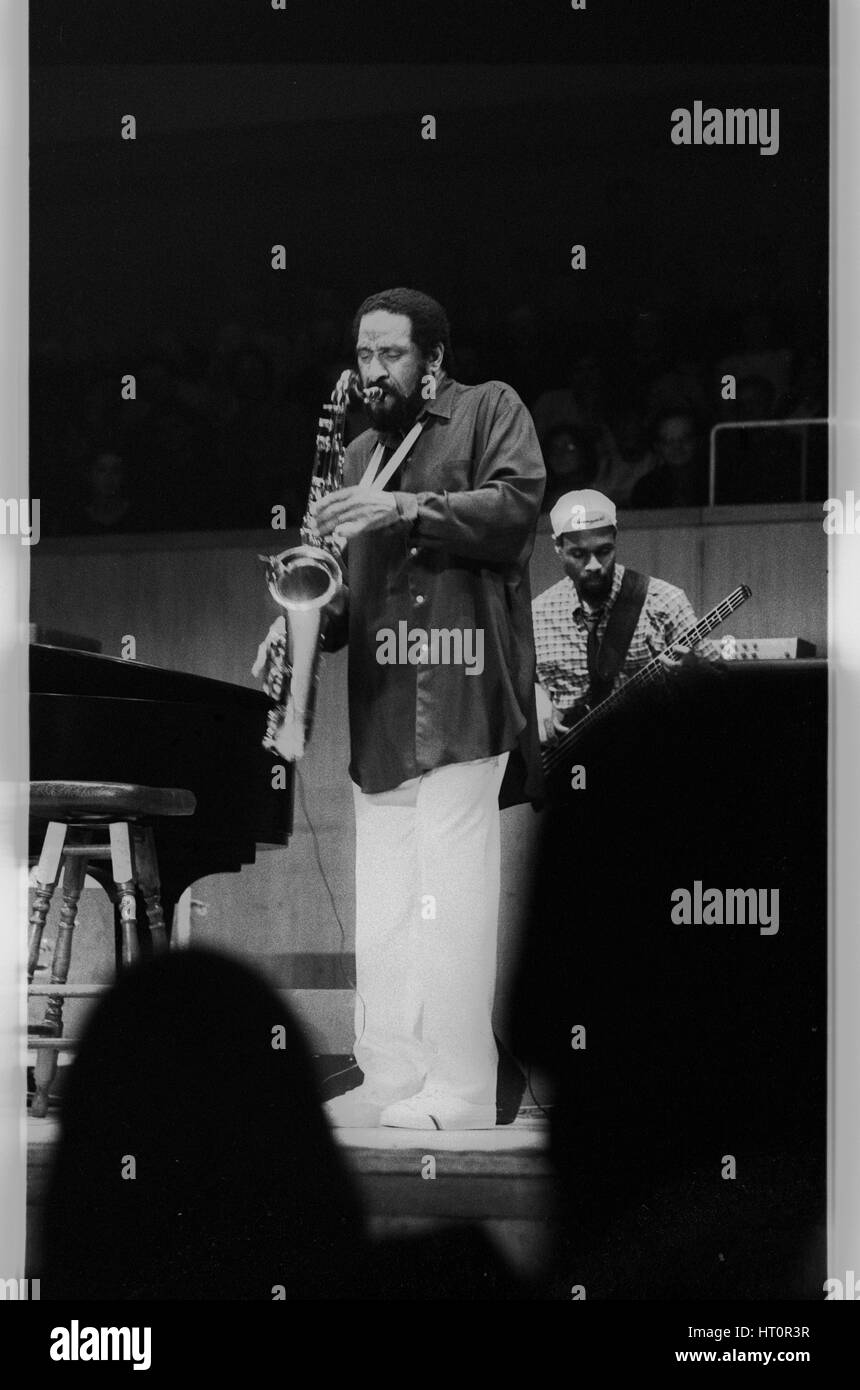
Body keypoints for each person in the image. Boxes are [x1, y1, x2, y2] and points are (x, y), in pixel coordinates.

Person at [260, 288, 545, 1131]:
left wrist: (403, 507)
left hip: (464, 697)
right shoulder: (350, 459)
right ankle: (389, 1075)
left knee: (452, 903)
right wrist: (299, 626)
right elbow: (340, 605)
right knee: (384, 903)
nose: (372, 371)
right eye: (363, 355)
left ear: (434, 361)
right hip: (382, 710)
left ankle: (458, 1088)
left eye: (390, 354)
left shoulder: (491, 410)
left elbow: (516, 511)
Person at [532, 489, 710, 744]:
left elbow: (720, 682)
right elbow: (523, 682)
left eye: (603, 551)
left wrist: (696, 673)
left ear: (615, 539)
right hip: (569, 764)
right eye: (579, 554)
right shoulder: (539, 613)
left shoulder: (664, 601)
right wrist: (537, 705)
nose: (593, 565)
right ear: (558, 547)